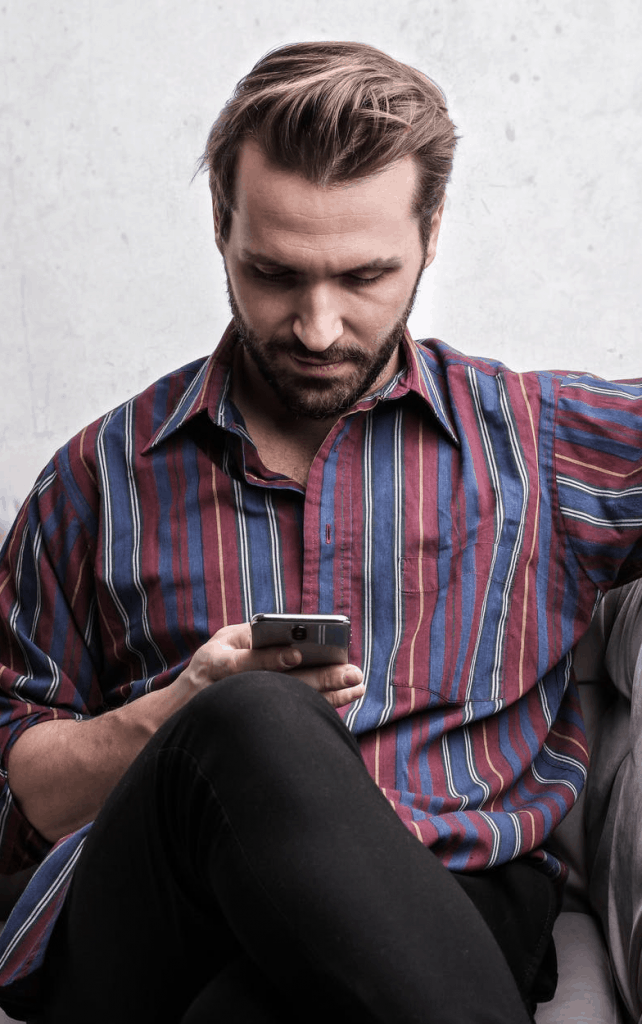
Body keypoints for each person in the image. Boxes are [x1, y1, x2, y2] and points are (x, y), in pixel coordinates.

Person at [0, 39, 641, 1024]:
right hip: (161, 915)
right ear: (222, 227)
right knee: (248, 716)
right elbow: (30, 791)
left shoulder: (537, 442)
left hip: (443, 897)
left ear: (430, 235)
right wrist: (179, 710)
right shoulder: (96, 480)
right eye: (276, 274)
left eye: (364, 276)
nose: (317, 325)